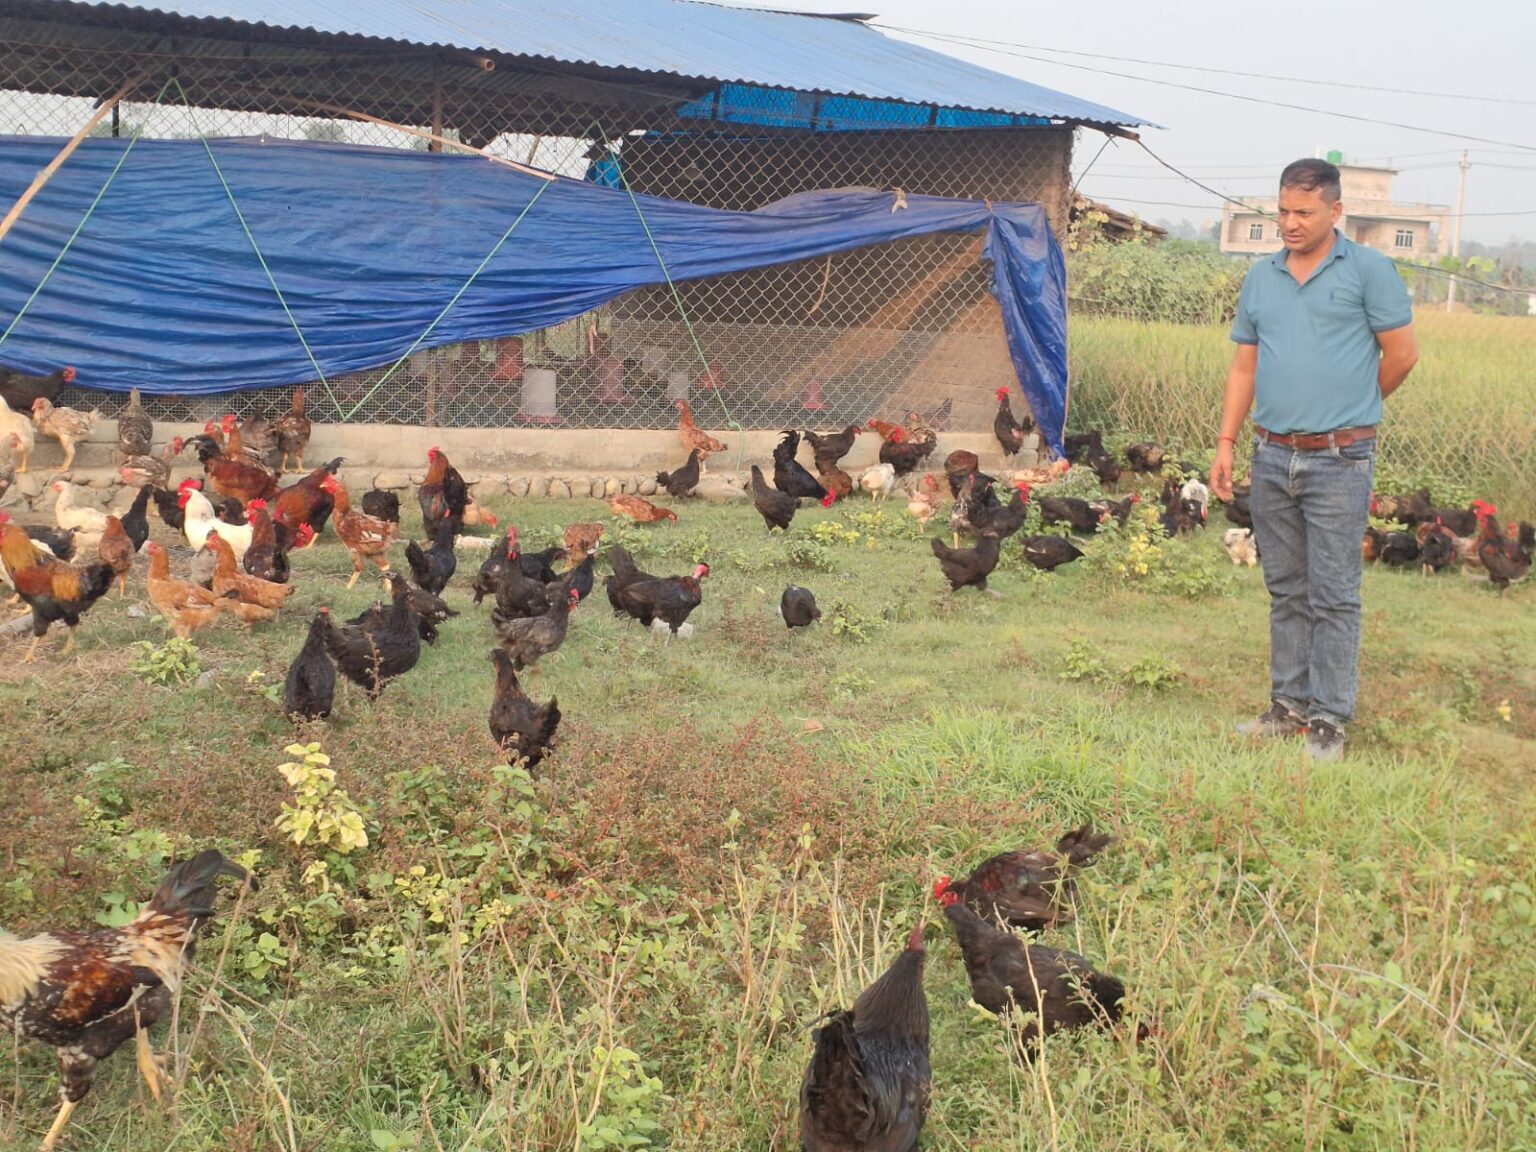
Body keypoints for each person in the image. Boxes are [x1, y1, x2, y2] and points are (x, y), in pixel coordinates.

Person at [1212, 158, 1419, 761]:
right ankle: (1288, 706)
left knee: (1334, 592)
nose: (1290, 223)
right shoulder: (1261, 277)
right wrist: (1226, 442)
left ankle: (1328, 718)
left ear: (1335, 211)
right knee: (1286, 589)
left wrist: (1353, 405)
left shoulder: (1371, 271)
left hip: (1340, 459)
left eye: (1303, 212)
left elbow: (1402, 355)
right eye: (1282, 210)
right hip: (1272, 454)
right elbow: (1244, 365)